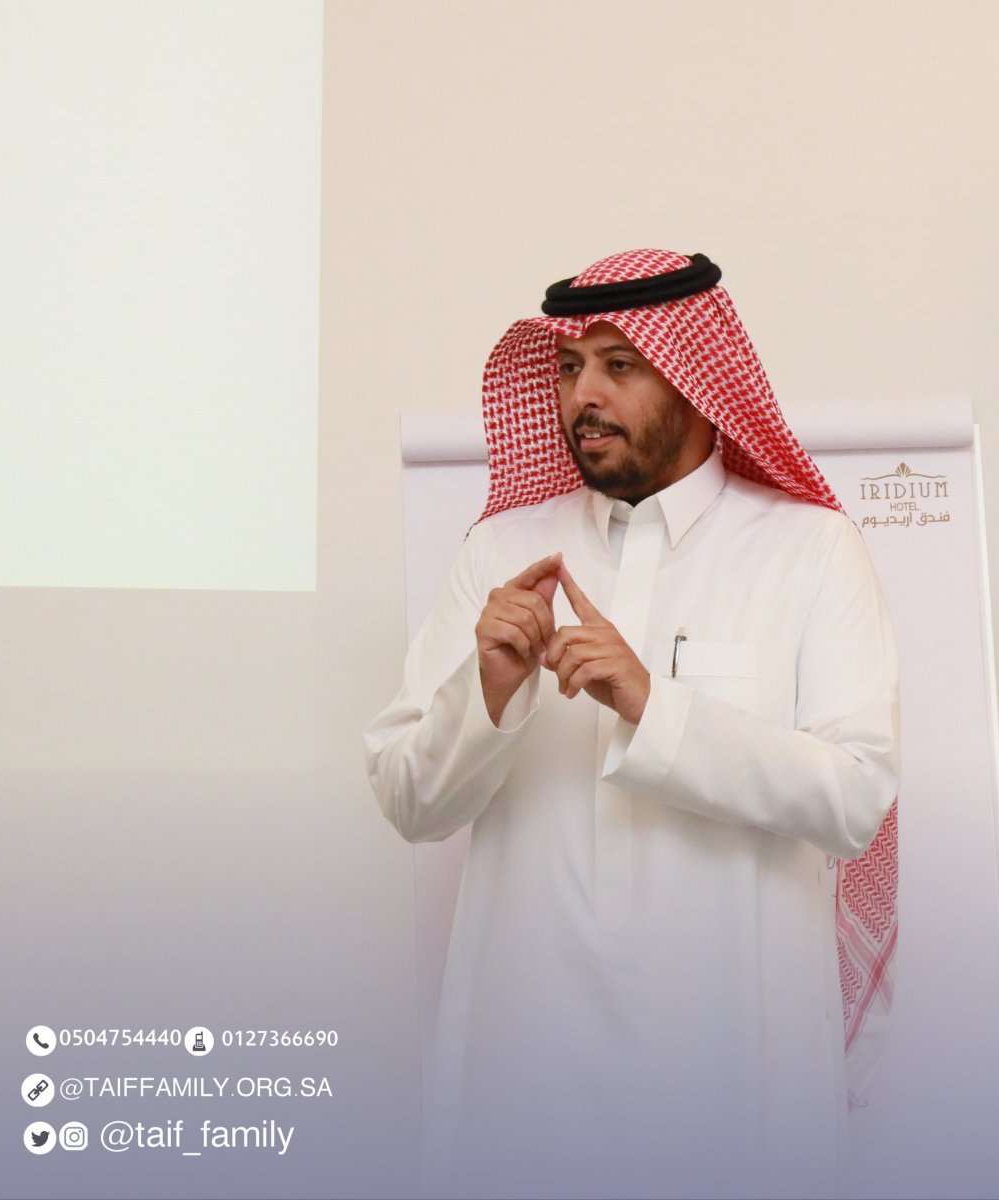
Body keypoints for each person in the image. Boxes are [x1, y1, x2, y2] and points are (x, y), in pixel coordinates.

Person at [363, 249, 900, 1197]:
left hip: (733, 1076)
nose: (584, 395)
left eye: (620, 365)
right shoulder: (502, 551)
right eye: (570, 367)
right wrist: (487, 688)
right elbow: (411, 801)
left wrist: (654, 705)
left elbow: (855, 798)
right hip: (527, 1074)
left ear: (696, 379)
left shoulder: (810, 549)